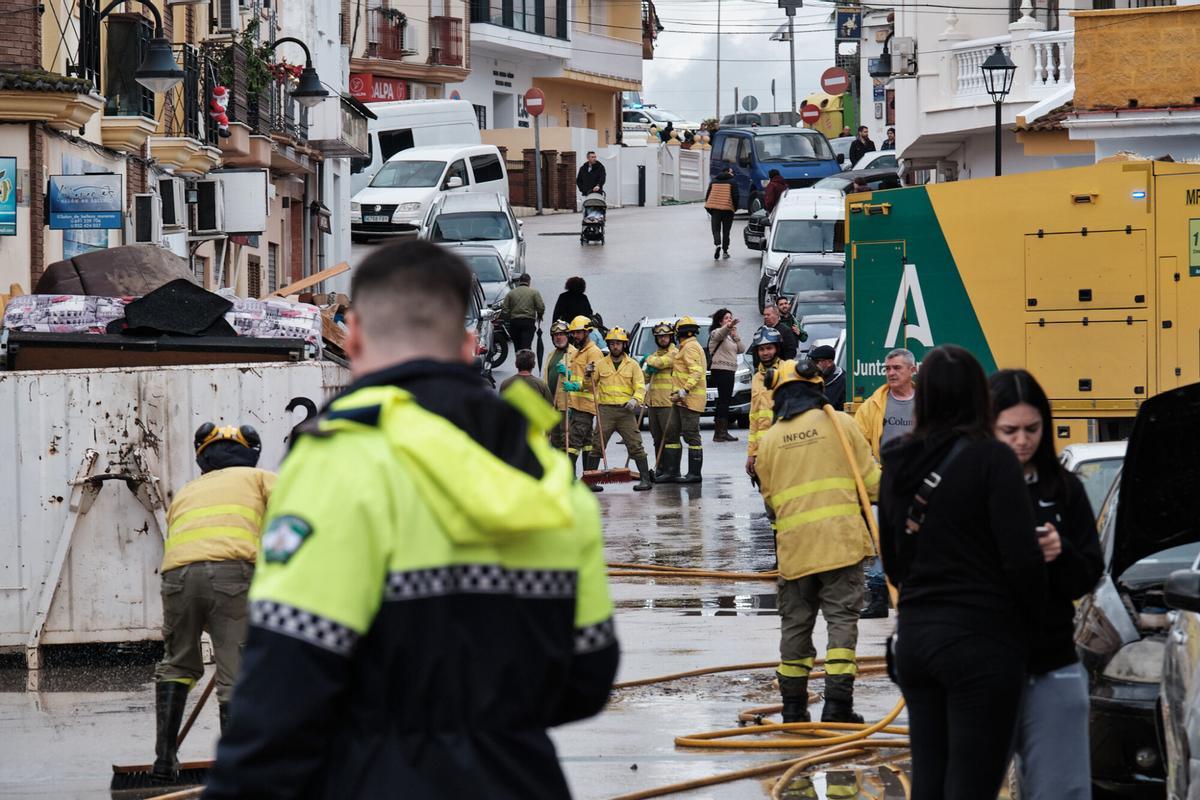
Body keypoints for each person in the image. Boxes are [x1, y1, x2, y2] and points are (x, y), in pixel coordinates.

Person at [207, 240, 618, 798]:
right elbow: (587, 678)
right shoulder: (545, 471)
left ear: (352, 339)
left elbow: (286, 682)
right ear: (470, 345)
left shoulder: (343, 457)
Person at [877, 345, 1046, 800]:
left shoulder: (897, 459)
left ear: (925, 393)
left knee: (928, 780)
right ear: (980, 397)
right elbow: (1021, 561)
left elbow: (892, 561)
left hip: (916, 639)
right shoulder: (994, 460)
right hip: (981, 640)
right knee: (973, 783)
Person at [990, 369, 1102, 800]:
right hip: (983, 669)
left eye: (1032, 429)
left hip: (1051, 664)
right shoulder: (967, 489)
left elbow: (1090, 571)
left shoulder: (1065, 489)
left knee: (1062, 790)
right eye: (1010, 431)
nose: (1022, 441)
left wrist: (1062, 553)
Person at [755, 358, 880, 724]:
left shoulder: (771, 440)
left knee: (795, 625)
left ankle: (793, 709)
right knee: (842, 620)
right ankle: (837, 707)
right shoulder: (840, 424)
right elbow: (871, 485)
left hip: (795, 553)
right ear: (817, 387)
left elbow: (771, 504)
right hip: (840, 547)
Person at [151, 424, 275, 781]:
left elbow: (189, 545)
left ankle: (164, 762)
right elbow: (293, 521)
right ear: (252, 452)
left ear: (202, 457)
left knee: (177, 664)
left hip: (176, 577)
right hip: (232, 576)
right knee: (235, 673)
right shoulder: (261, 479)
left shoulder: (188, 492)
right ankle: (237, 770)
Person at [855, 347, 917, 618]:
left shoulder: (927, 403)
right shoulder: (874, 404)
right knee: (883, 541)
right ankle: (879, 598)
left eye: (897, 368)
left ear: (912, 371)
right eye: (888, 368)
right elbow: (857, 442)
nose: (890, 373)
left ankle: (917, 596)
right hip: (887, 485)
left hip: (921, 485)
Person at [591, 327, 653, 493]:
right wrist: (586, 376)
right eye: (612, 343)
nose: (615, 346)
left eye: (618, 343)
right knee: (597, 444)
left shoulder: (632, 365)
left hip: (626, 411)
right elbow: (588, 386)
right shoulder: (600, 364)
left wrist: (635, 400)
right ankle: (591, 480)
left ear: (624, 345)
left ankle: (645, 480)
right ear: (609, 345)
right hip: (606, 411)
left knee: (635, 445)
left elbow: (640, 387)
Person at [561, 314, 606, 481]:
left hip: (585, 405)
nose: (575, 336)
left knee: (573, 442)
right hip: (577, 404)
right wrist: (565, 372)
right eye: (573, 333)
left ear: (587, 332)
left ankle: (569, 479)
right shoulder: (579, 352)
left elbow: (593, 379)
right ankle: (589, 478)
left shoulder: (593, 352)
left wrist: (575, 386)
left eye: (578, 333)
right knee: (587, 442)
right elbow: (576, 373)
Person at [661, 315, 707, 483]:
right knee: (671, 432)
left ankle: (694, 474)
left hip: (690, 400)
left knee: (691, 434)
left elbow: (696, 371)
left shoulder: (690, 348)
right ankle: (672, 472)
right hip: (679, 400)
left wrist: (685, 390)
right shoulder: (686, 346)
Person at [745, 326, 783, 481]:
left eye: (769, 348)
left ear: (777, 349)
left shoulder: (787, 372)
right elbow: (754, 419)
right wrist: (751, 454)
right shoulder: (756, 378)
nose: (765, 353)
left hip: (783, 446)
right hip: (762, 450)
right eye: (761, 349)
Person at [643, 322, 677, 480]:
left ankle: (672, 470)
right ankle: (660, 469)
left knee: (669, 437)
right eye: (660, 337)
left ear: (671, 337)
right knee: (657, 438)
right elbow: (644, 377)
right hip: (653, 403)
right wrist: (646, 369)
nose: (663, 339)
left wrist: (648, 361)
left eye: (665, 336)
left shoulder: (675, 352)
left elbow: (661, 363)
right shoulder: (655, 355)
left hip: (668, 403)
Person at [707, 308, 744, 443]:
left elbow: (741, 349)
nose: (730, 320)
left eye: (730, 318)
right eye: (727, 318)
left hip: (729, 370)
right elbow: (719, 334)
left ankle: (720, 431)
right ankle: (721, 432)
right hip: (721, 369)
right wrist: (728, 327)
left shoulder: (730, 336)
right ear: (720, 321)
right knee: (724, 400)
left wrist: (735, 335)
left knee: (725, 400)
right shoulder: (716, 332)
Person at [544, 319, 574, 450]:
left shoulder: (575, 354)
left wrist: (568, 373)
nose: (558, 337)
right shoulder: (551, 354)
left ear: (568, 336)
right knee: (553, 439)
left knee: (565, 439)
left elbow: (581, 378)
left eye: (561, 334)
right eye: (556, 335)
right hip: (551, 404)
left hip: (566, 404)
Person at [499, 273, 544, 354]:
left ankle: (520, 362)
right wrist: (540, 315)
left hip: (515, 323)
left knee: (518, 346)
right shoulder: (534, 293)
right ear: (529, 282)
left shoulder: (511, 293)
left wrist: (509, 317)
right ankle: (526, 362)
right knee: (526, 346)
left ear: (519, 281)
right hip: (528, 322)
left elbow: (504, 309)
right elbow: (540, 307)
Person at [704, 166, 739, 259]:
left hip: (715, 209)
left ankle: (717, 245)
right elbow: (736, 196)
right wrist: (734, 208)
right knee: (726, 231)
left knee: (716, 229)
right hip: (728, 210)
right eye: (732, 172)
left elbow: (708, 195)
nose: (733, 174)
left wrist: (710, 208)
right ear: (727, 172)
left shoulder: (713, 181)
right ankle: (725, 251)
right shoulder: (732, 182)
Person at [810, 344, 845, 411]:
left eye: (816, 361)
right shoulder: (812, 377)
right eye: (811, 361)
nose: (813, 364)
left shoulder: (843, 381)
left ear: (829, 363)